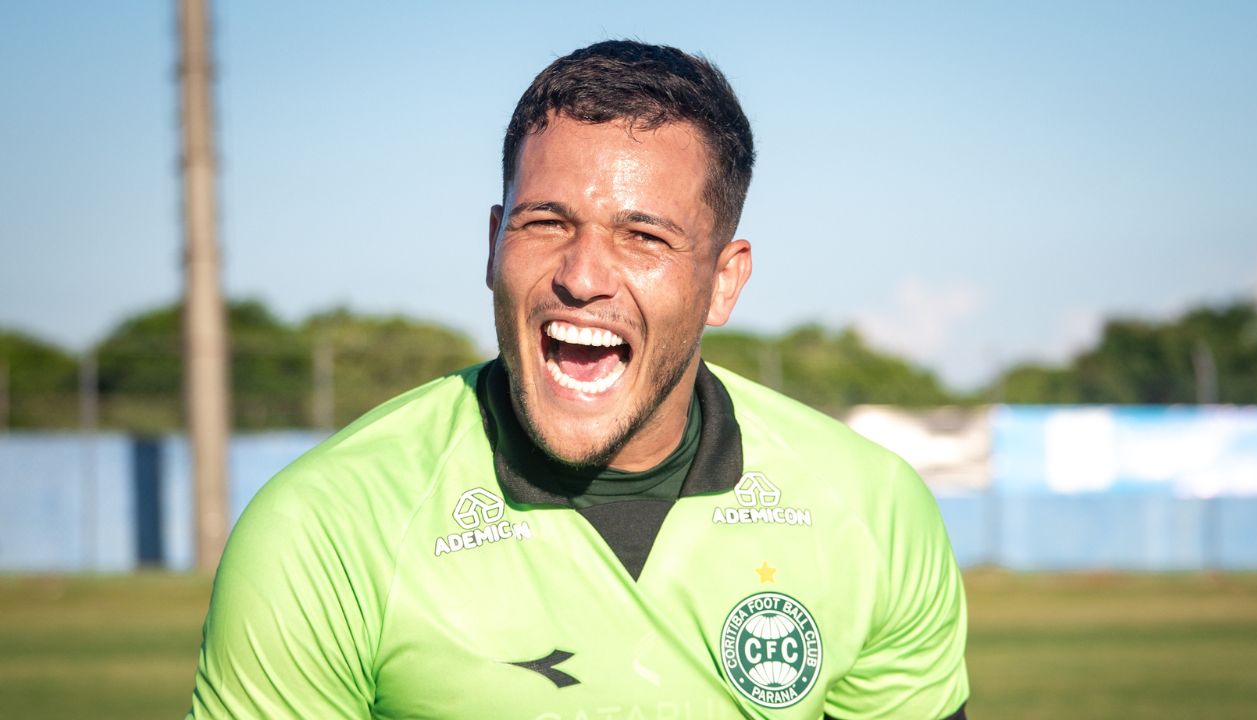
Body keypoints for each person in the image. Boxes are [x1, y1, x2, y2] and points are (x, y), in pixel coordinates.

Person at [187, 40, 969, 719]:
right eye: (547, 223)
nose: (583, 276)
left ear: (724, 282)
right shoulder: (325, 530)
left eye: (643, 235)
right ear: (495, 245)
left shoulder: (869, 510)